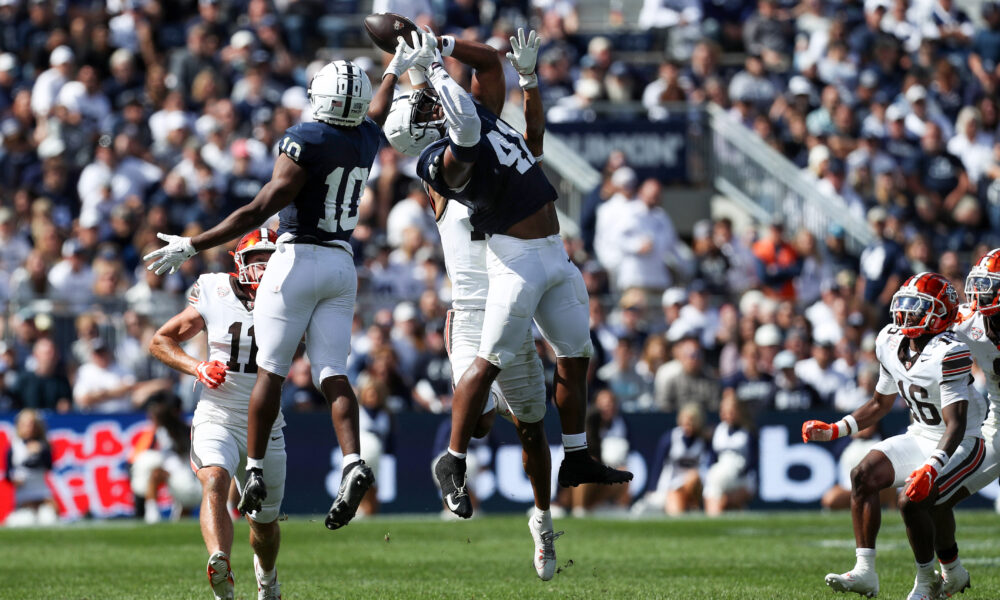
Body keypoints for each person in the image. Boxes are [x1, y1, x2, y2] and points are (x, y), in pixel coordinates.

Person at [144, 47, 407, 530]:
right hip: (342, 262)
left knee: (271, 370)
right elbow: (379, 108)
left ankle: (256, 469)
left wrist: (193, 244)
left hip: (297, 257)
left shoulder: (305, 138)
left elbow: (256, 209)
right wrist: (394, 68)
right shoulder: (368, 137)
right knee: (333, 373)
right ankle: (352, 461)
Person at [381, 26, 631, 521]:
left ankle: (562, 481)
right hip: (491, 284)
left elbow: (519, 121)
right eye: (427, 106)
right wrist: (427, 67)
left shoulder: (484, 125)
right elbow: (466, 137)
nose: (434, 102)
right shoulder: (440, 161)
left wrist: (521, 76)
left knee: (558, 382)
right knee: (481, 404)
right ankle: (453, 462)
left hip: (536, 263)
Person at [802, 273, 985, 599]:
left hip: (964, 441)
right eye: (906, 305)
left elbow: (955, 424)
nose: (907, 313)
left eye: (918, 307)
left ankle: (928, 579)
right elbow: (879, 403)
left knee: (912, 499)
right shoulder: (889, 340)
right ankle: (865, 572)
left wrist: (931, 467)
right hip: (921, 433)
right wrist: (836, 429)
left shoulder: (951, 351)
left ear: (940, 312)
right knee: (862, 474)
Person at [148, 229, 283, 600]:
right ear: (239, 264)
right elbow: (161, 340)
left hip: (267, 421)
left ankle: (268, 580)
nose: (265, 268)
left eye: (271, 260)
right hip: (218, 411)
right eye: (258, 260)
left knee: (265, 525)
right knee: (214, 480)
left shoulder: (292, 296)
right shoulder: (215, 290)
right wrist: (197, 367)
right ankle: (220, 565)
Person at [899, 249, 1000, 598]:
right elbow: (928, 324)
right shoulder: (970, 322)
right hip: (997, 429)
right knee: (930, 497)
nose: (981, 294)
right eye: (983, 284)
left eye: (991, 286)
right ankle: (952, 573)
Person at [129, 394, 202, 524]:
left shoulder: (179, 431)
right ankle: (154, 515)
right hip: (190, 483)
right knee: (156, 472)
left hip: (187, 483)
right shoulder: (183, 430)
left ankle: (152, 515)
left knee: (156, 473)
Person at [4, 409, 57, 527]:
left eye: (32, 424)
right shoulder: (14, 447)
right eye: (25, 424)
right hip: (24, 495)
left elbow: (49, 466)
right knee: (26, 520)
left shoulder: (43, 445)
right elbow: (8, 474)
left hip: (42, 493)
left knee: (48, 518)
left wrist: (42, 452)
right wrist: (14, 480)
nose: (29, 427)